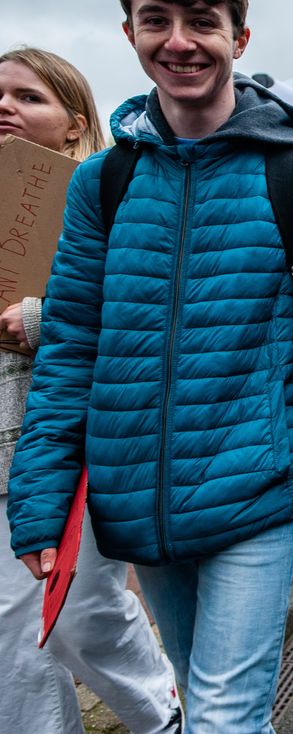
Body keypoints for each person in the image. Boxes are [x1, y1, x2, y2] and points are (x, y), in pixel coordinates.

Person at [6, 0, 293, 732]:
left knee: (223, 717)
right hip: (134, 498)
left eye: (201, 22)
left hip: (257, 495)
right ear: (130, 34)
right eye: (157, 20)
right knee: (202, 699)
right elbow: (71, 345)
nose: (180, 41)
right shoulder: (101, 184)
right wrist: (39, 501)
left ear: (238, 40)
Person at [0, 47, 182, 734]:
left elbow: (153, 313)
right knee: (15, 639)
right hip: (11, 440)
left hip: (78, 443)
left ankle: (162, 709)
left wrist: (39, 319)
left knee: (77, 612)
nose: (5, 106)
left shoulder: (112, 199)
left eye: (28, 96)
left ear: (75, 123)